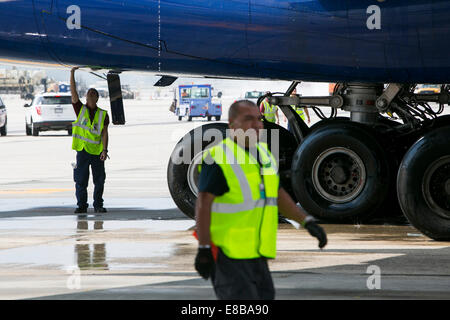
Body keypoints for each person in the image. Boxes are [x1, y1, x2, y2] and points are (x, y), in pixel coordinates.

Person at [194, 100, 327, 300]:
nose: (257, 125)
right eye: (248, 119)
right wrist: (203, 248)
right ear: (232, 125)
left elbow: (277, 194)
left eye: (259, 119)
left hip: (256, 252)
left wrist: (306, 222)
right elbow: (204, 204)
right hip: (227, 254)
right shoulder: (219, 157)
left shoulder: (263, 155)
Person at [70, 67, 110, 214]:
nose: (91, 95)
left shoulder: (103, 114)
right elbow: (73, 94)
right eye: (89, 93)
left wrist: (105, 150)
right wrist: (72, 73)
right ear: (86, 97)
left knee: (99, 181)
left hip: (97, 152)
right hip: (82, 151)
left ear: (97, 98)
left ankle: (98, 205)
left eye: (94, 93)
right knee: (81, 181)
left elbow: (105, 134)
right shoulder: (80, 109)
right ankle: (82, 205)